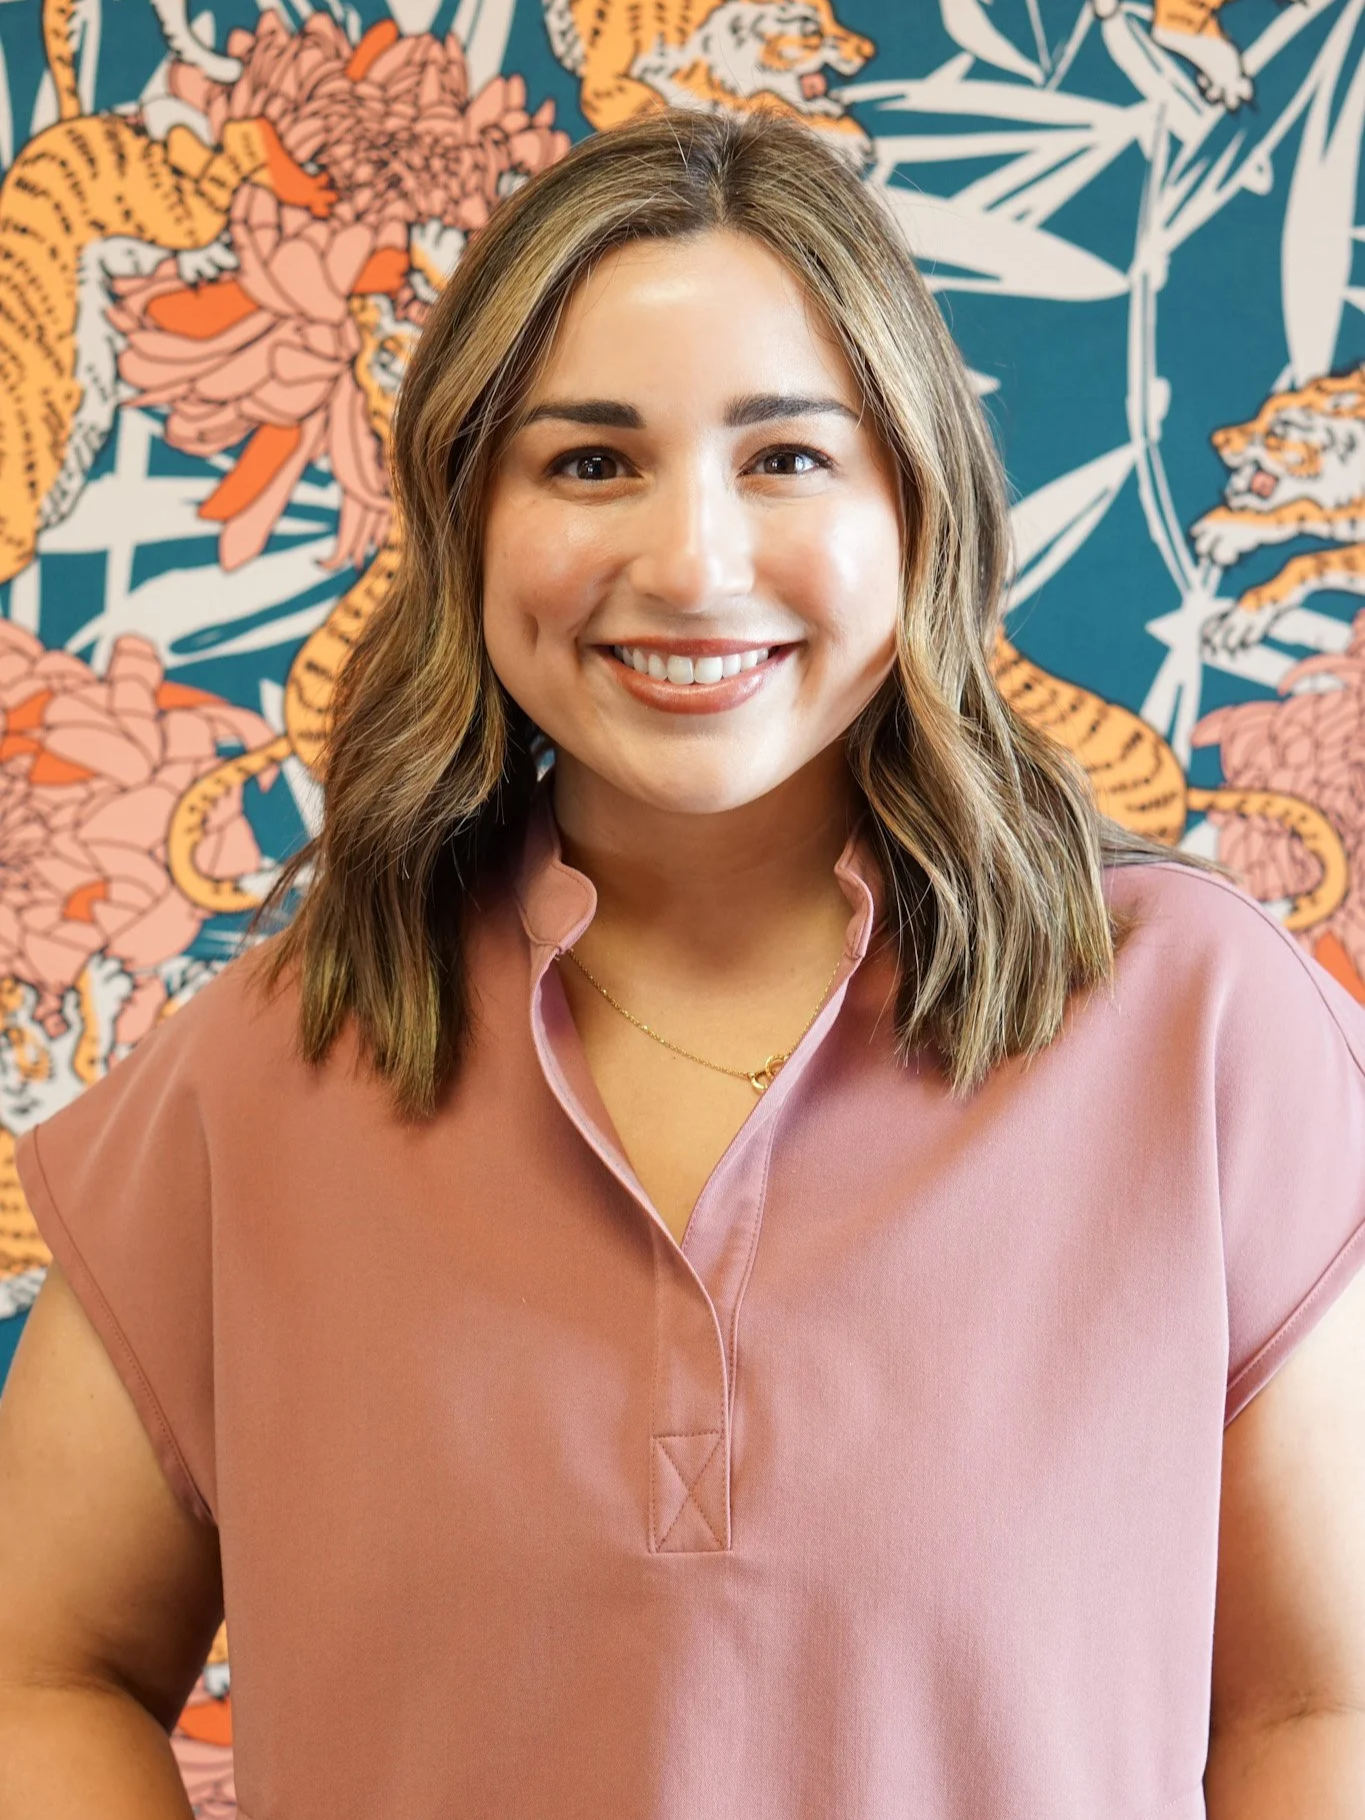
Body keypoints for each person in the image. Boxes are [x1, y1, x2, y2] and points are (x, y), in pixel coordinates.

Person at [1, 104, 1363, 1820]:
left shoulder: (1203, 1030)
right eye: (589, 462)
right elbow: (41, 1668)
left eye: (786, 457)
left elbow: (1322, 1713)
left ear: (914, 505)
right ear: (467, 519)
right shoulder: (271, 1063)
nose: (694, 563)